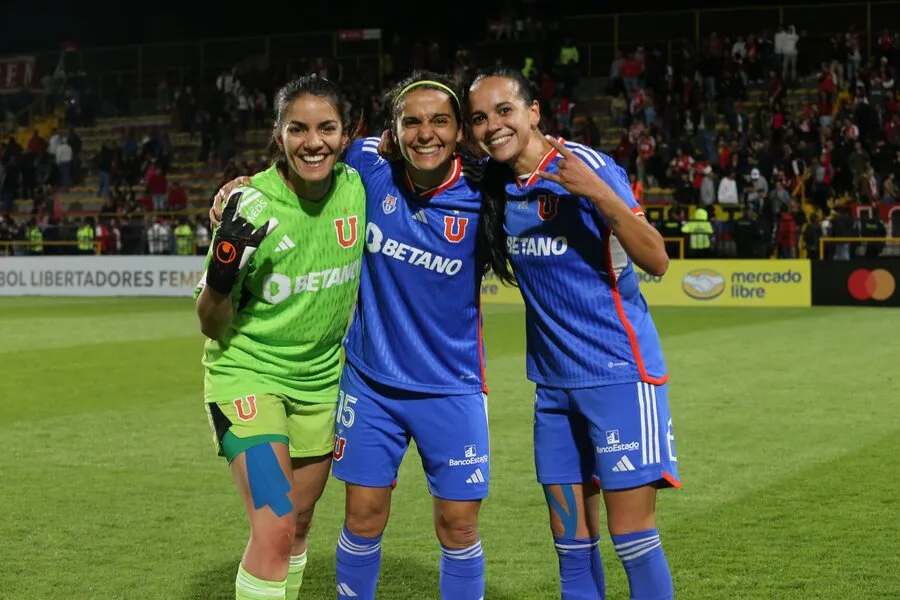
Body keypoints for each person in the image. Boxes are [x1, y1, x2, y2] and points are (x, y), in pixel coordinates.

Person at [212, 71, 492, 600]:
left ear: (459, 132)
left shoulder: (485, 192)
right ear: (392, 128)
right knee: (337, 519)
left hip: (448, 387)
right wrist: (241, 185)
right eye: (411, 121)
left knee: (457, 526)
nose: (424, 133)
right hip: (367, 387)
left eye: (439, 121)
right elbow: (304, 153)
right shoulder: (368, 166)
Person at [468, 67, 679, 600]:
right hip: (553, 391)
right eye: (479, 118)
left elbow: (657, 259)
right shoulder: (497, 185)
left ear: (533, 112)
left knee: (631, 537)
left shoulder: (585, 166)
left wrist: (598, 193)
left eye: (504, 110)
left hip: (619, 377)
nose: (493, 125)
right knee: (570, 546)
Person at [196, 75, 366, 600]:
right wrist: (222, 280)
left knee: (299, 523)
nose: (312, 141)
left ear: (345, 136)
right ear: (278, 134)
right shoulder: (249, 207)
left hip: (319, 385)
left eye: (326, 128)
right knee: (274, 524)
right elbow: (210, 322)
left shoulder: (359, 187)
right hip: (247, 377)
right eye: (298, 129)